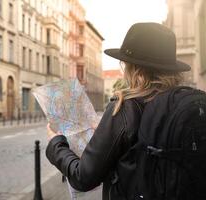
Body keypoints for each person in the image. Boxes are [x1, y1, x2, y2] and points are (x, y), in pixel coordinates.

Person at [45, 23, 198, 200]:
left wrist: (56, 143)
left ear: (133, 68)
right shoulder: (184, 102)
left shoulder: (125, 108)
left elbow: (84, 177)